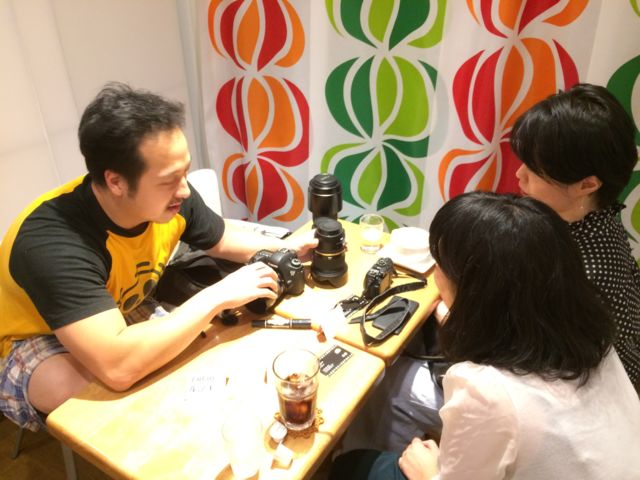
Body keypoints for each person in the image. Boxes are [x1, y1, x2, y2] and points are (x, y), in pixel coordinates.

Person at [0, 82, 317, 432]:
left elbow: (220, 237)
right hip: (34, 333)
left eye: (185, 172)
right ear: (116, 182)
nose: (185, 189)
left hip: (115, 308)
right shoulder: (52, 242)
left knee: (196, 358)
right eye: (169, 180)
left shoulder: (170, 196)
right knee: (121, 399)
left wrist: (287, 248)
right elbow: (118, 367)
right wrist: (219, 295)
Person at [330, 192, 640, 479]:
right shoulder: (589, 331)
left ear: (476, 292)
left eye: (440, 263)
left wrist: (429, 473)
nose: (435, 273)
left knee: (352, 466)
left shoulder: (486, 393)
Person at [511, 82, 640, 389]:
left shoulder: (583, 274)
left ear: (587, 185)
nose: (519, 175)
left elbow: (541, 364)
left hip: (597, 392)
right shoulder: (594, 216)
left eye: (535, 171)